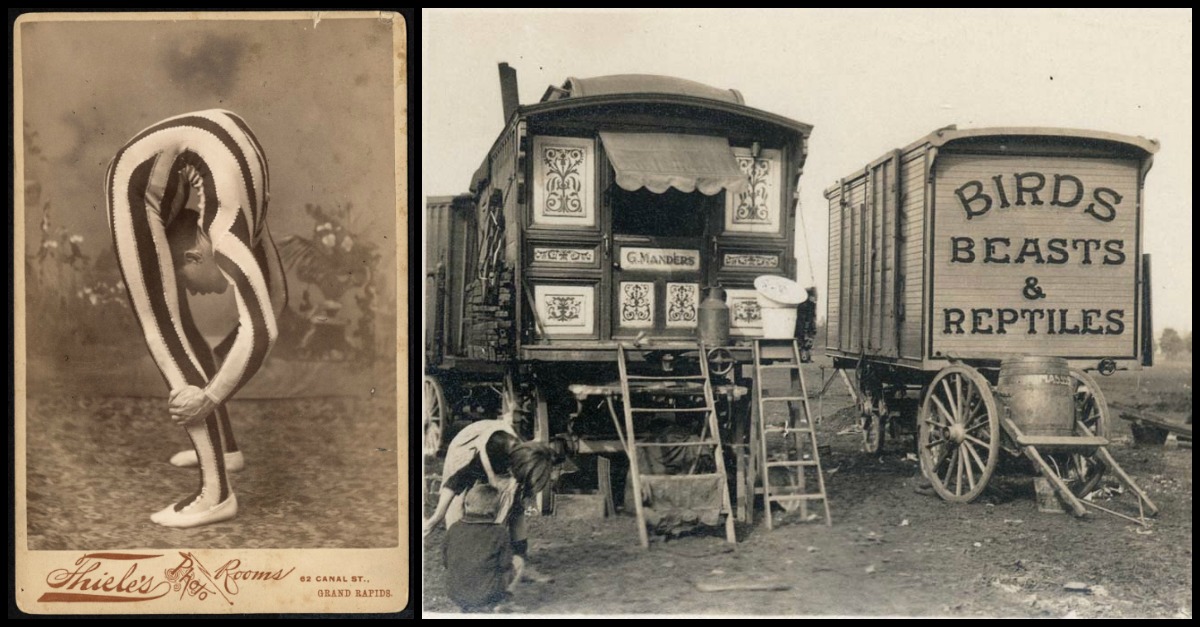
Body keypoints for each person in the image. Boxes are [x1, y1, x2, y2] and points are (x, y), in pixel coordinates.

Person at [106, 110, 287, 528]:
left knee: (165, 327)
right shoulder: (242, 226)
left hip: (185, 156)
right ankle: (224, 451)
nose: (192, 292)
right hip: (157, 165)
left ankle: (215, 496)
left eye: (185, 280)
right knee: (170, 325)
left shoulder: (226, 236)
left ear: (192, 256)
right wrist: (222, 375)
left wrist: (208, 396)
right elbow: (273, 304)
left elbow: (266, 322)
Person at [424, 391, 558, 582]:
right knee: (461, 510)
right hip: (468, 444)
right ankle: (466, 563)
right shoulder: (496, 450)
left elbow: (518, 496)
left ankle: (519, 565)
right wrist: (436, 516)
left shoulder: (527, 457)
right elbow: (456, 481)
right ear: (515, 467)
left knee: (516, 510)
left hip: (502, 458)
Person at [442, 483, 524, 611]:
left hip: (455, 594)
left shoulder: (454, 528)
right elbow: (505, 564)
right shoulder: (499, 532)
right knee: (518, 561)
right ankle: (500, 601)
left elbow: (445, 561)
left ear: (466, 504)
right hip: (486, 594)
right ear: (494, 511)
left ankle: (467, 604)